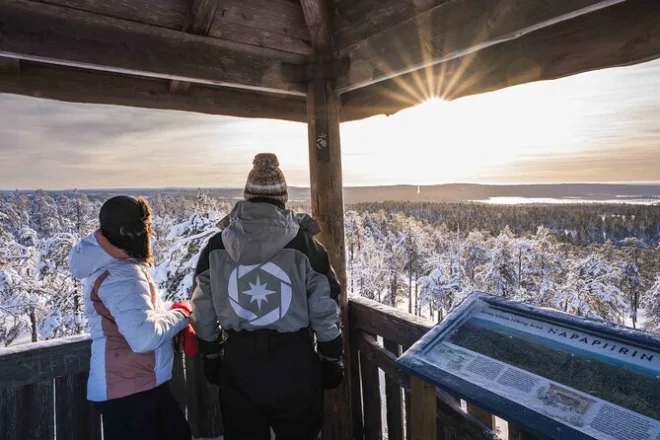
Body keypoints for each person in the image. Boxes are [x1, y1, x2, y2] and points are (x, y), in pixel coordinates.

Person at [190, 153, 344, 440]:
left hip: (239, 361)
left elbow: (202, 306)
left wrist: (211, 353)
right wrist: (332, 356)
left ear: (247, 197)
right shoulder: (305, 246)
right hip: (294, 359)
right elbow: (324, 305)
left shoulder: (216, 246)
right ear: (282, 198)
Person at [69, 195, 193, 440]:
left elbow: (137, 315)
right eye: (145, 227)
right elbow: (144, 337)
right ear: (130, 232)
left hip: (136, 385)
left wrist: (170, 314)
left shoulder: (117, 266)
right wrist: (183, 313)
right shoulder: (121, 274)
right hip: (130, 393)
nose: (148, 234)